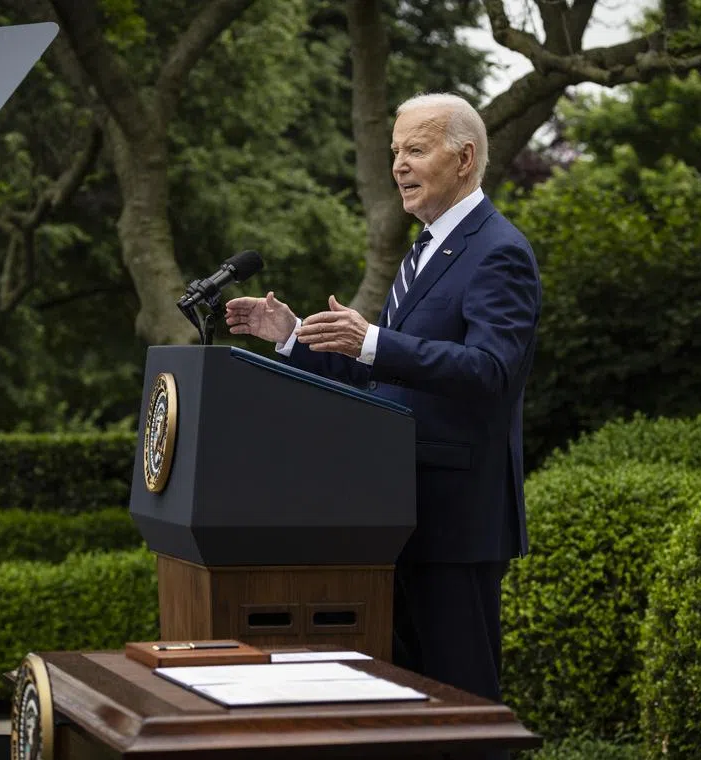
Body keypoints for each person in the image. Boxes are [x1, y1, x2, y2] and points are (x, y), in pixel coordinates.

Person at [224, 92, 542, 709]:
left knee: (463, 707)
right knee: (408, 706)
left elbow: (491, 371)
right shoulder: (424, 250)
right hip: (394, 517)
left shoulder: (498, 251)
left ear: (464, 158)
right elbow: (383, 381)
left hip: (456, 524)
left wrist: (372, 340)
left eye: (415, 150)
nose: (397, 165)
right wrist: (292, 338)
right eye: (394, 151)